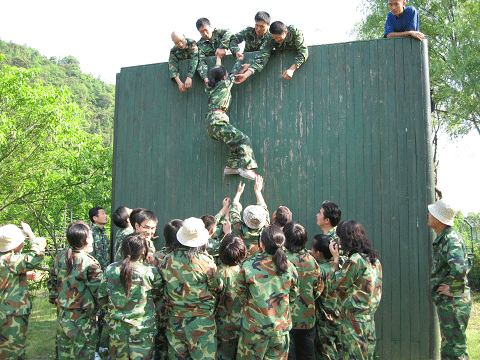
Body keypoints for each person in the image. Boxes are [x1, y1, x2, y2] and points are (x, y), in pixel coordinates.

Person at [158, 217, 223, 359]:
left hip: (175, 320)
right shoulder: (206, 262)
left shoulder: (166, 259)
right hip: (201, 321)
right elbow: (218, 287)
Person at [237, 224, 299, 359]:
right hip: (280, 331)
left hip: (254, 331)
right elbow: (293, 295)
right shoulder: (290, 267)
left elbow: (239, 293)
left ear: (261, 243)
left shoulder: (248, 266)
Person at [98, 233, 162, 359]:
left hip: (117, 329)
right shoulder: (150, 271)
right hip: (142, 329)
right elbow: (158, 294)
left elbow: (102, 297)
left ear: (123, 249)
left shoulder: (111, 269)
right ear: (144, 250)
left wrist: (112, 312)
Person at [329, 221, 382, 359]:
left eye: (339, 237)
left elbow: (336, 283)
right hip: (368, 320)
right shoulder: (374, 260)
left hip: (353, 322)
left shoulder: (356, 260)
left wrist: (335, 260)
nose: (338, 241)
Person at [49, 221, 103, 359]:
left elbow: (53, 280)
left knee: (64, 354)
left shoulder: (61, 256)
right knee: (84, 355)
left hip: (63, 316)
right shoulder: (89, 263)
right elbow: (100, 292)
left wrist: (55, 298)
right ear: (86, 240)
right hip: (82, 319)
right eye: (91, 236)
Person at [427, 199, 471, 359]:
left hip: (454, 304)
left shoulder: (450, 239)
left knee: (455, 351)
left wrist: (452, 289)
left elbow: (460, 267)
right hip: (450, 304)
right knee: (450, 349)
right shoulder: (444, 237)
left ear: (439, 219)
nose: (429, 215)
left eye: (432, 213)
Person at [205, 56, 258, 179]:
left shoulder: (210, 87)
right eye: (226, 74)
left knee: (234, 142)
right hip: (217, 120)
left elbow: (217, 72)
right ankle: (247, 168)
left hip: (210, 124)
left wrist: (218, 58)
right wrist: (240, 60)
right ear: (224, 77)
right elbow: (234, 72)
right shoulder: (225, 84)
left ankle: (231, 167)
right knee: (243, 139)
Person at [0, 222, 46, 359]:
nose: (24, 243)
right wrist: (31, 234)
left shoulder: (6, 261)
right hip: (11, 314)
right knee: (13, 350)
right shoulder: (10, 261)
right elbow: (36, 255)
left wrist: (23, 275)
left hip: (4, 311)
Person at [283, 222, 323, 360]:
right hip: (307, 318)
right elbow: (318, 289)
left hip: (287, 318)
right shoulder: (311, 261)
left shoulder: (281, 260)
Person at [235, 21, 308, 84]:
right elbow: (262, 57)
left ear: (286, 32)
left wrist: (292, 69)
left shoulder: (294, 32)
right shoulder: (270, 38)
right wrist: (246, 75)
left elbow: (303, 52)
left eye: (279, 37)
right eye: (274, 38)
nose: (276, 40)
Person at [152, 219, 183, 360]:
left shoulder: (154, 258)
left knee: (159, 346)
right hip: (178, 312)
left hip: (158, 309)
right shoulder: (185, 259)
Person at [311, 234, 343, 360]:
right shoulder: (337, 267)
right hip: (339, 317)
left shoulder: (319, 270)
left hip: (324, 321)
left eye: (313, 249)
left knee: (326, 355)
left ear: (318, 253)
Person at [216, 234, 248, 360]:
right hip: (244, 325)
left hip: (221, 327)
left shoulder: (216, 273)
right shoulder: (247, 273)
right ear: (243, 253)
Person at [229, 175, 269, 256]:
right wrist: (258, 191)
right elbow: (263, 207)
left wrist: (238, 193)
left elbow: (234, 210)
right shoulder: (266, 227)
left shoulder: (238, 227)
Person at [196, 18, 235, 86]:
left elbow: (229, 32)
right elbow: (201, 61)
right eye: (202, 32)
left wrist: (222, 46)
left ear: (210, 27)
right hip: (215, 76)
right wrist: (205, 78)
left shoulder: (219, 33)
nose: (205, 33)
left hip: (230, 68)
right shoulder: (200, 45)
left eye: (206, 30)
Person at [202, 197, 231, 262]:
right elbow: (228, 246)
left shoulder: (195, 236)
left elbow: (211, 223)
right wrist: (228, 233)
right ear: (212, 230)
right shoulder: (210, 244)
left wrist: (224, 210)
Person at [89, 206, 110, 271]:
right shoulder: (90, 233)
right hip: (93, 271)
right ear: (95, 218)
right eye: (103, 213)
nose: (106, 216)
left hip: (104, 270)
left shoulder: (103, 233)